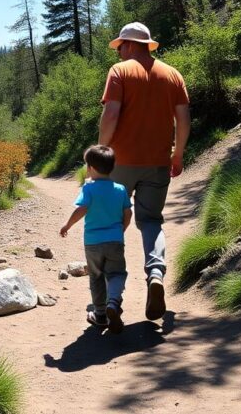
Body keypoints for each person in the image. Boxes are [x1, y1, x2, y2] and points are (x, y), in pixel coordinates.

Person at [99, 22, 191, 321]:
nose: (119, 52)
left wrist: (101, 153)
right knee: (151, 221)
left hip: (121, 163)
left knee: (112, 223)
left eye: (120, 46)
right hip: (158, 163)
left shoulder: (120, 72)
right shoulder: (172, 74)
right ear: (148, 44)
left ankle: (111, 299)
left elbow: (111, 113)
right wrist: (177, 154)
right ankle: (155, 274)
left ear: (129, 45)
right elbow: (183, 119)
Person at [59, 145, 132, 334]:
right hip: (115, 240)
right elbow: (128, 212)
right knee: (116, 274)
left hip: (93, 243)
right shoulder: (120, 189)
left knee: (97, 277)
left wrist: (67, 225)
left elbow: (81, 209)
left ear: (90, 168)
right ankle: (114, 303)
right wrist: (121, 230)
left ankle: (100, 314)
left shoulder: (89, 188)